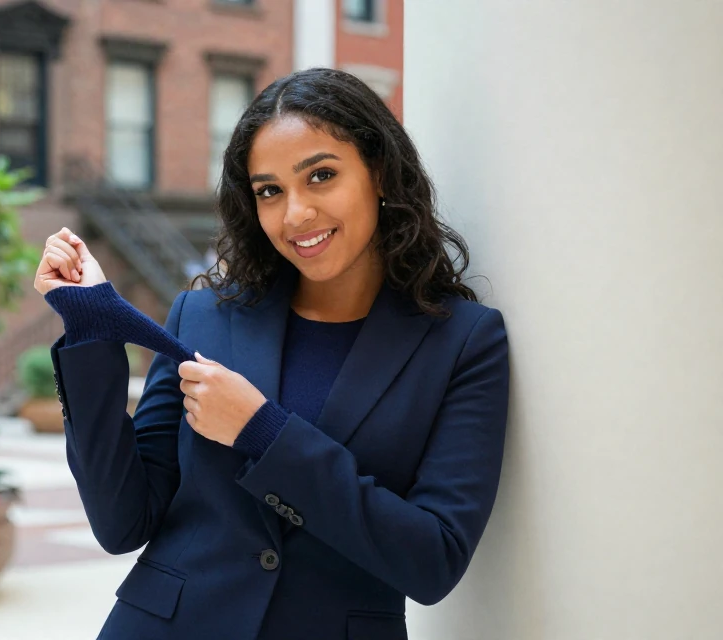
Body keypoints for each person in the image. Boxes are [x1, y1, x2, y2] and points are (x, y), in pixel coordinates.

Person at [34, 68, 509, 640]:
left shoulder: (463, 341)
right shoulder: (202, 317)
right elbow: (121, 522)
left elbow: (434, 559)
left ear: (380, 172)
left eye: (321, 176)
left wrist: (262, 431)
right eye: (269, 191)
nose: (295, 214)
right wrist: (89, 324)